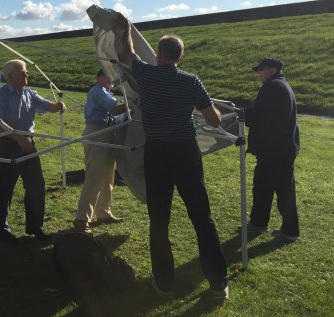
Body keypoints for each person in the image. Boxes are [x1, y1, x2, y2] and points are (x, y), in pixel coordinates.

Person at [116, 14, 229, 299]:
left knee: (159, 219)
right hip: (186, 153)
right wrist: (213, 109)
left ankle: (164, 284)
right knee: (202, 218)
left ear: (158, 53)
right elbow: (214, 122)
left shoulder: (146, 74)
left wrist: (126, 29)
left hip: (157, 153)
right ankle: (218, 284)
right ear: (181, 57)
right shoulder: (191, 81)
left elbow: (127, 53)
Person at [0, 59, 66, 243]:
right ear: (9, 77)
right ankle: (3, 231)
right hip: (9, 144)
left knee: (36, 184)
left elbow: (48, 106)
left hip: (28, 143)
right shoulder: (0, 95)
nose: (26, 75)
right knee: (5, 187)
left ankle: (35, 226)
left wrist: (58, 106)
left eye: (26, 72)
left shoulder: (29, 93)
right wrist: (17, 137)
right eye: (22, 72)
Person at [243, 58, 300, 241]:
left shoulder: (272, 87)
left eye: (262, 69)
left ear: (273, 69)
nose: (259, 73)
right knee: (282, 189)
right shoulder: (282, 85)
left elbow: (262, 117)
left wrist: (241, 115)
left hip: (274, 150)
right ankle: (287, 229)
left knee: (264, 187)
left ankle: (260, 224)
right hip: (283, 149)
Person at [73, 69, 126, 235]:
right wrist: (133, 103)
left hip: (108, 133)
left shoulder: (108, 93)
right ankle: (82, 219)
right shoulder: (97, 91)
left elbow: (116, 113)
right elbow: (114, 109)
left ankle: (103, 213)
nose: (110, 78)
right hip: (96, 133)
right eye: (106, 75)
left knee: (108, 177)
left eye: (111, 76)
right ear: (98, 78)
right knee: (94, 177)